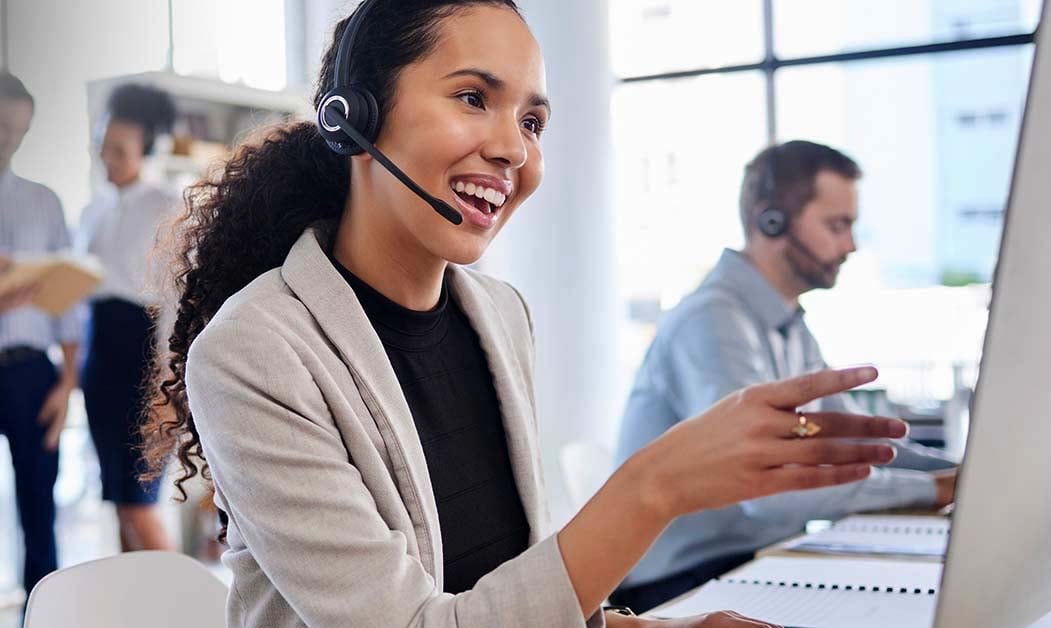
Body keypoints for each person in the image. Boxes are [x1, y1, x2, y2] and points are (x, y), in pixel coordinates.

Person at [142, 3, 910, 627]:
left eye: (533, 121)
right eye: (474, 98)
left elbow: (501, 588)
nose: (513, 149)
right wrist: (654, 488)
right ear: (355, 118)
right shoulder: (254, 351)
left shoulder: (498, 315)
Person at [611, 141, 959, 613]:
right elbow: (766, 489)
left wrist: (962, 473)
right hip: (683, 584)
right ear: (770, 221)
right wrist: (933, 491)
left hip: (754, 561)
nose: (851, 245)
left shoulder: (790, 324)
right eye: (837, 226)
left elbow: (857, 443)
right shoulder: (712, 322)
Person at [77, 83, 179, 552]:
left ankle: (186, 611)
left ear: (147, 148)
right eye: (103, 146)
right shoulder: (93, 208)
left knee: (140, 503)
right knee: (118, 502)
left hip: (142, 360)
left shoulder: (165, 204)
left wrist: (165, 384)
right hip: (99, 358)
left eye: (120, 150)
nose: (108, 158)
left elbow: (173, 300)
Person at [0, 72, 85, 596]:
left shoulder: (45, 202)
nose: (9, 138)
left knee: (39, 509)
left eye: (18, 130)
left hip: (34, 371)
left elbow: (66, 304)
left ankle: (41, 609)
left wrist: (66, 382)